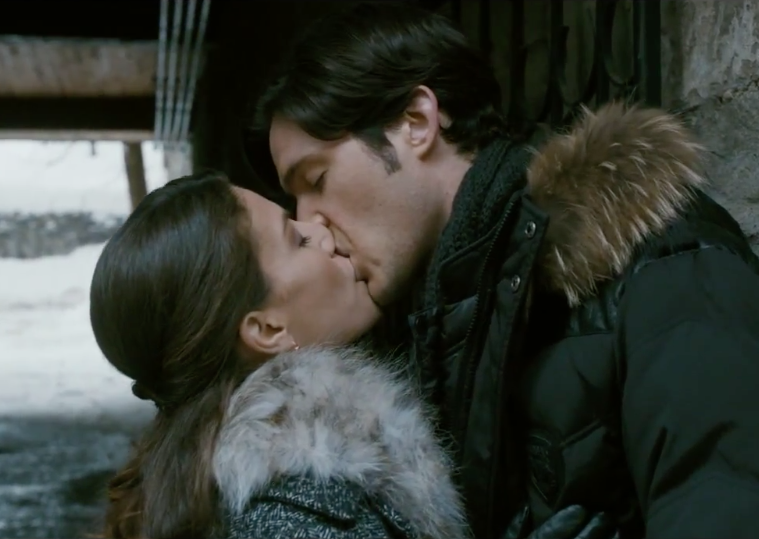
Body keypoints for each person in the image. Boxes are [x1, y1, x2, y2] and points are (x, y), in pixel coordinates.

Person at [251, 2, 759, 538]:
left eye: (316, 180)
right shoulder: (429, 320)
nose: (313, 222)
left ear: (416, 122)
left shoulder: (659, 257)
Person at [90, 171, 468, 539]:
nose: (321, 231)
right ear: (267, 330)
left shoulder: (248, 489)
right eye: (298, 240)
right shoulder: (300, 515)